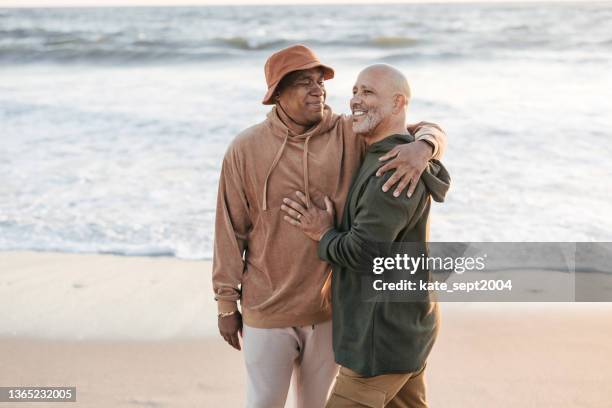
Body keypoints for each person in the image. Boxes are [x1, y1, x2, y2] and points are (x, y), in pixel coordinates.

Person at [212, 45, 447, 408]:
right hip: (266, 309)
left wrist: (425, 148)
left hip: (328, 311)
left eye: (319, 81)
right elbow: (230, 228)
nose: (318, 89)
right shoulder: (245, 149)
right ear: (276, 93)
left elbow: (412, 127)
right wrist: (226, 303)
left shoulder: (349, 133)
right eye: (304, 82)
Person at [280, 64, 450, 407]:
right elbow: (429, 129)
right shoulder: (395, 153)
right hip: (405, 328)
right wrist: (427, 144)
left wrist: (323, 233)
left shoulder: (392, 170)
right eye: (355, 91)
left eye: (368, 92)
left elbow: (365, 254)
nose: (356, 100)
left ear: (398, 103)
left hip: (380, 343)